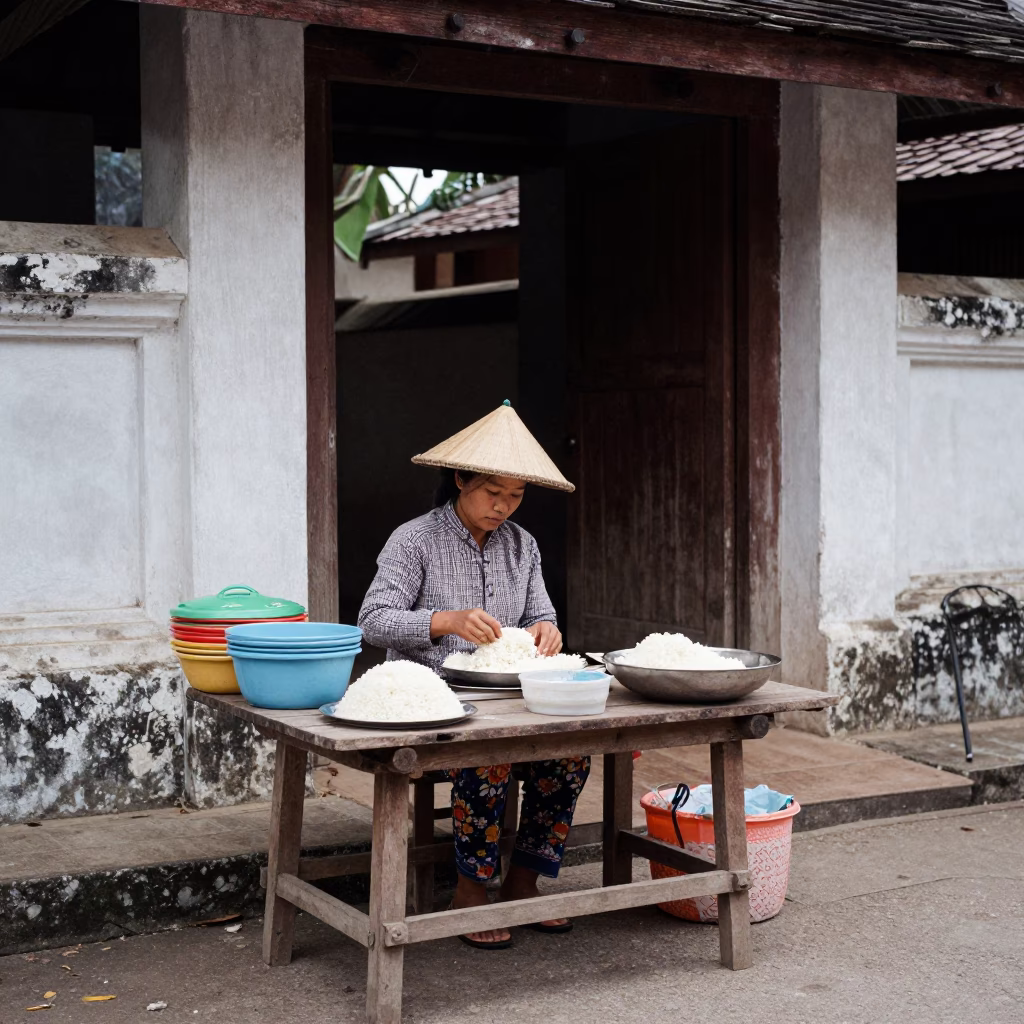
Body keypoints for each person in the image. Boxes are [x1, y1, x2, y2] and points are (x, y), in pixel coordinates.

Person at [358, 401, 589, 950]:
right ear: (460, 480)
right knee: (489, 756)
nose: (503, 506)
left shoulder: (523, 545)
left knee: (571, 754)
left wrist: (547, 631)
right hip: (434, 699)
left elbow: (542, 613)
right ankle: (470, 888)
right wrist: (445, 621)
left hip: (512, 697)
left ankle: (524, 881)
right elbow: (372, 619)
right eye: (492, 491)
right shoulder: (414, 540)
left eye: (516, 495)